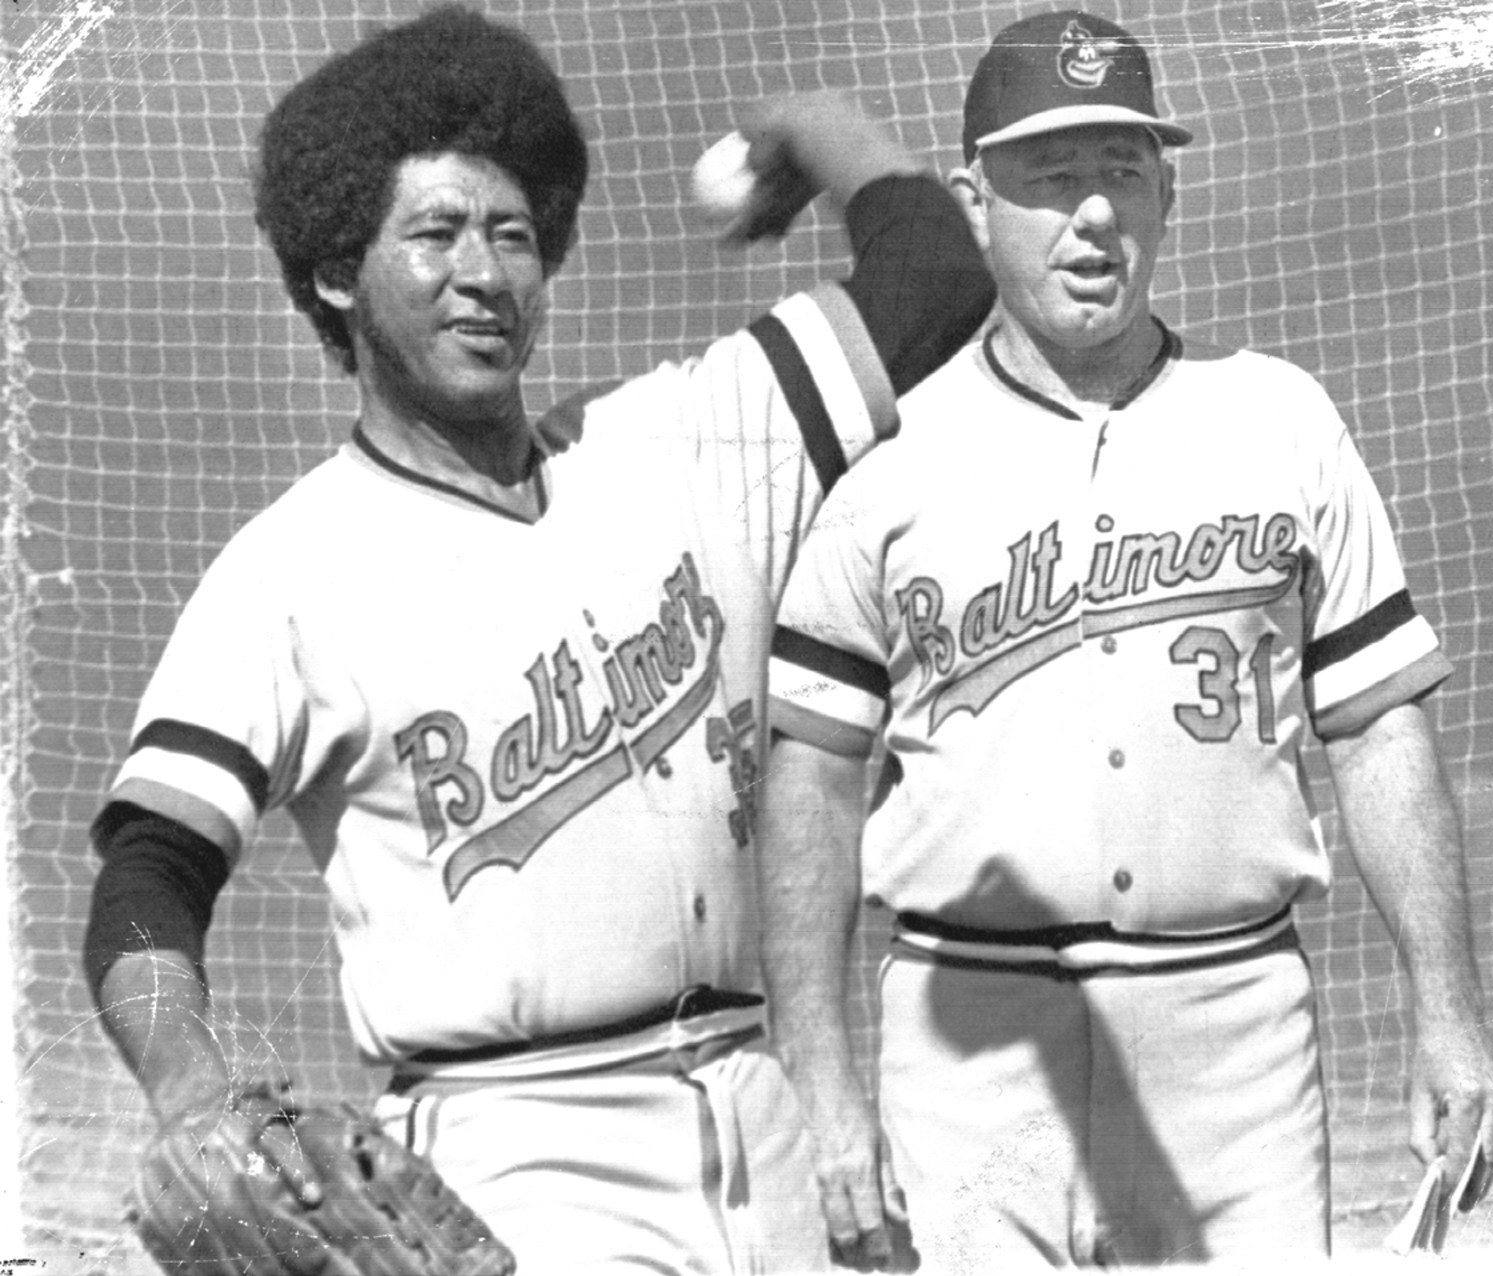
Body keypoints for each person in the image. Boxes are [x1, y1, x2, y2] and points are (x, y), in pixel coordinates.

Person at [79, 6, 994, 1272]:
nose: (486, 273)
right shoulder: (286, 575)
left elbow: (938, 280)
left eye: (514, 234)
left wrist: (804, 126)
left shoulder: (685, 438)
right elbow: (144, 883)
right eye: (437, 233)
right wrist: (190, 1087)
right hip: (514, 1151)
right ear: (339, 273)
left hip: (759, 1110)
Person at [756, 9, 1493, 1270]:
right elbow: (814, 782)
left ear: (1166, 191)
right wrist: (821, 1083)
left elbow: (1378, 727)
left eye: (1122, 171)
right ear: (971, 198)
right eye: (1051, 179)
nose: (1093, 215)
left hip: (1232, 1038)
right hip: (969, 1052)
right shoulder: (890, 463)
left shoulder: (1277, 418)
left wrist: (1450, 1013)